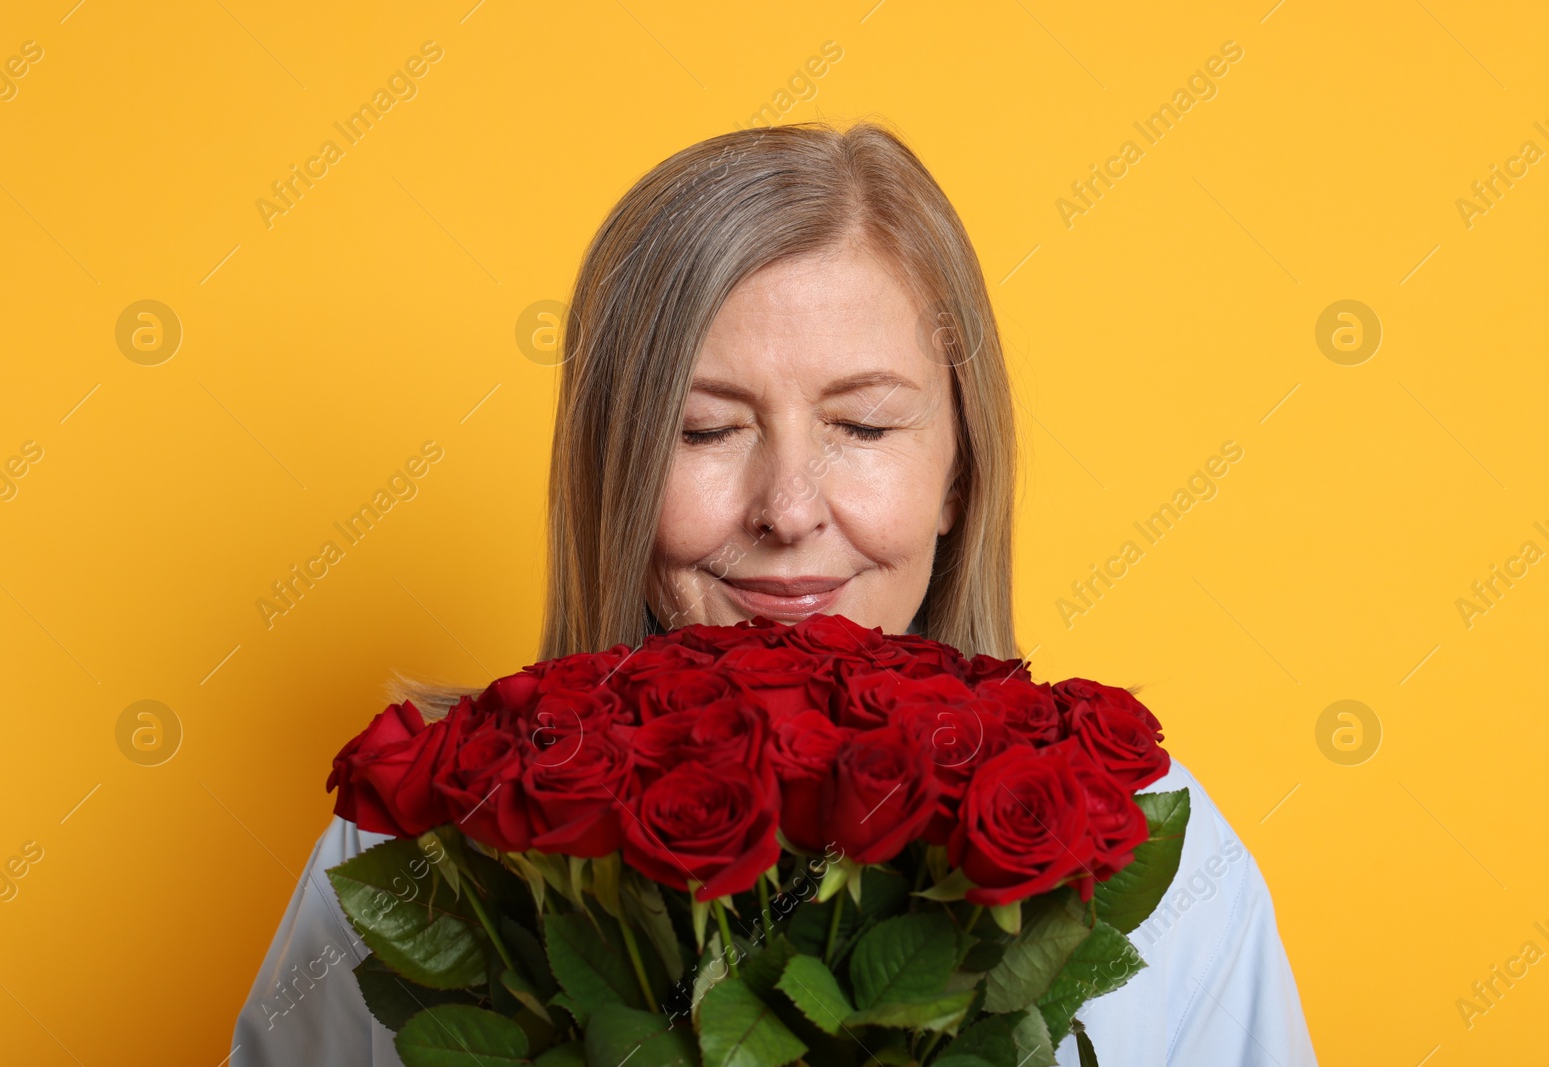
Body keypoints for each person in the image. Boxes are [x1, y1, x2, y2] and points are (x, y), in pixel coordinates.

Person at [231, 120, 1316, 1065]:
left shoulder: (1157, 848)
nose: (787, 507)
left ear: (959, 474)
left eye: (861, 424)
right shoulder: (414, 840)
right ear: (612, 475)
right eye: (704, 429)